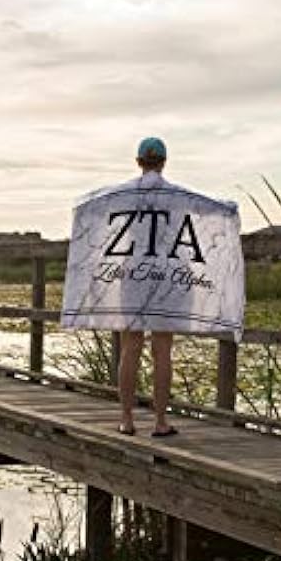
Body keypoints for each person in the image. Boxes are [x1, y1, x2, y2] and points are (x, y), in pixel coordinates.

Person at [117, 136, 177, 438]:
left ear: (139, 161)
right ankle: (160, 421)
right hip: (164, 270)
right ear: (164, 162)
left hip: (133, 270)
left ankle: (127, 419)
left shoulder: (123, 195)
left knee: (130, 348)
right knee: (162, 348)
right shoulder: (176, 196)